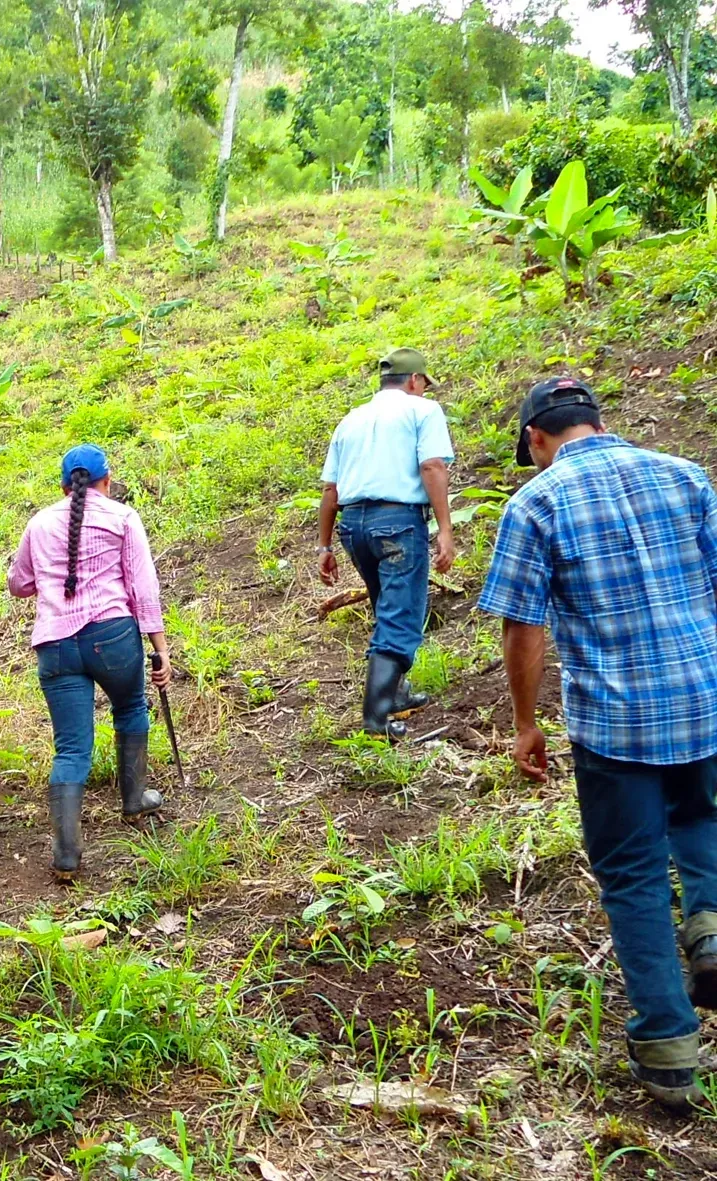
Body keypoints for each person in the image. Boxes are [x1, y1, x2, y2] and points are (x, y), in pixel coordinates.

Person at [478, 376, 717, 1111]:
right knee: (702, 818)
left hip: (615, 721)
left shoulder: (536, 501)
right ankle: (709, 933)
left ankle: (669, 1049)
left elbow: (523, 626)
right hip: (704, 698)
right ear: (597, 420)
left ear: (534, 439)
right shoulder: (684, 475)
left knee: (633, 876)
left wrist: (525, 721)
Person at [8, 444, 173, 881]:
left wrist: (51, 579)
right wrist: (161, 646)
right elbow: (143, 588)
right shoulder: (122, 518)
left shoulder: (39, 522)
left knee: (71, 748)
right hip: (113, 636)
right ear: (107, 479)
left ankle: (66, 856)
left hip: (56, 644)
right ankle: (134, 801)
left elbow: (19, 582)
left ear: (63, 484)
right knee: (131, 708)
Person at [318, 347, 455, 739]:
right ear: (414, 380)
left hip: (354, 525)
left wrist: (324, 546)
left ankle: (396, 693)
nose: (425, 391)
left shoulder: (351, 420)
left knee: (386, 605)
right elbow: (432, 465)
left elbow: (331, 488)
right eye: (424, 384)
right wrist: (445, 529)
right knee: (400, 613)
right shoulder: (422, 411)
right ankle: (376, 721)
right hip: (397, 523)